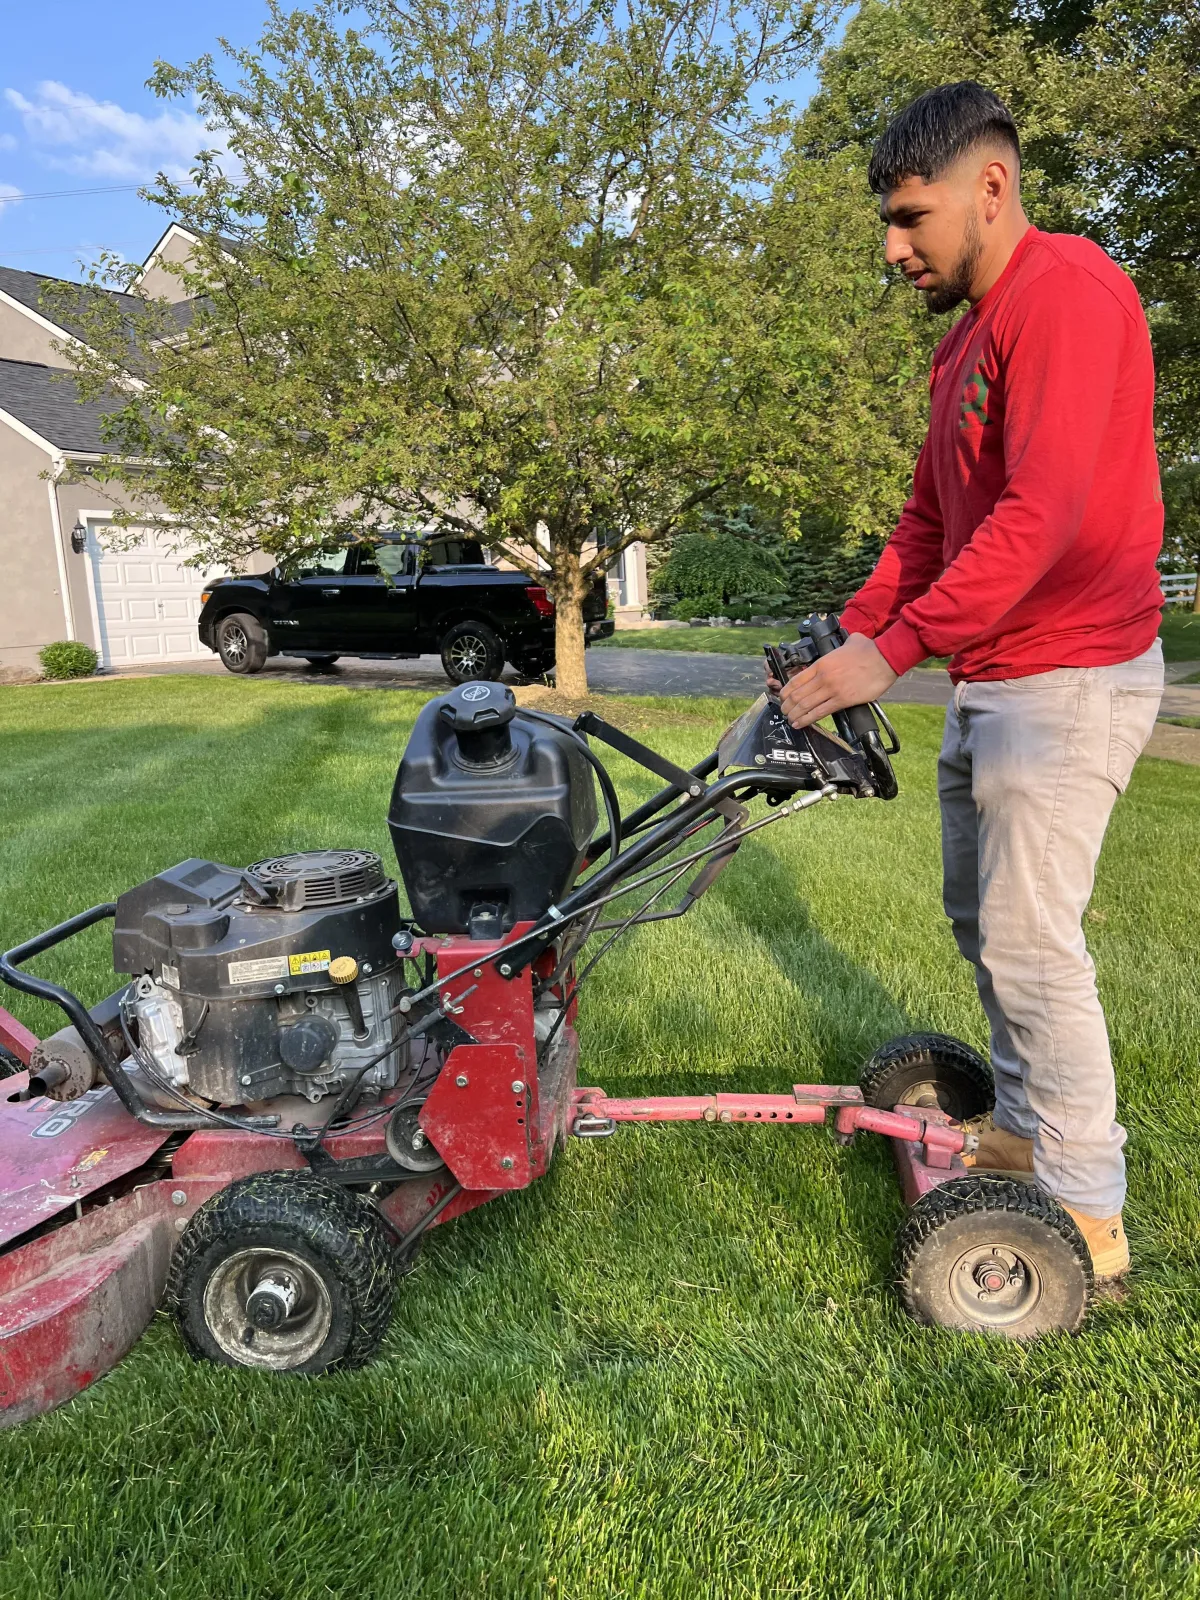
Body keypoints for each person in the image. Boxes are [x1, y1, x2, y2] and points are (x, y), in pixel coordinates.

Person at [775, 81, 1164, 1281]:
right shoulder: (964, 348)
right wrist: (844, 634)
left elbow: (1040, 518)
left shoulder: (1068, 294)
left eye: (909, 219)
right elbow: (928, 529)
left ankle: (1088, 1209)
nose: (895, 249)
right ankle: (1030, 1132)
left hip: (1069, 679)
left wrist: (888, 655)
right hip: (996, 678)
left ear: (989, 190)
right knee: (986, 929)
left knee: (1033, 942)